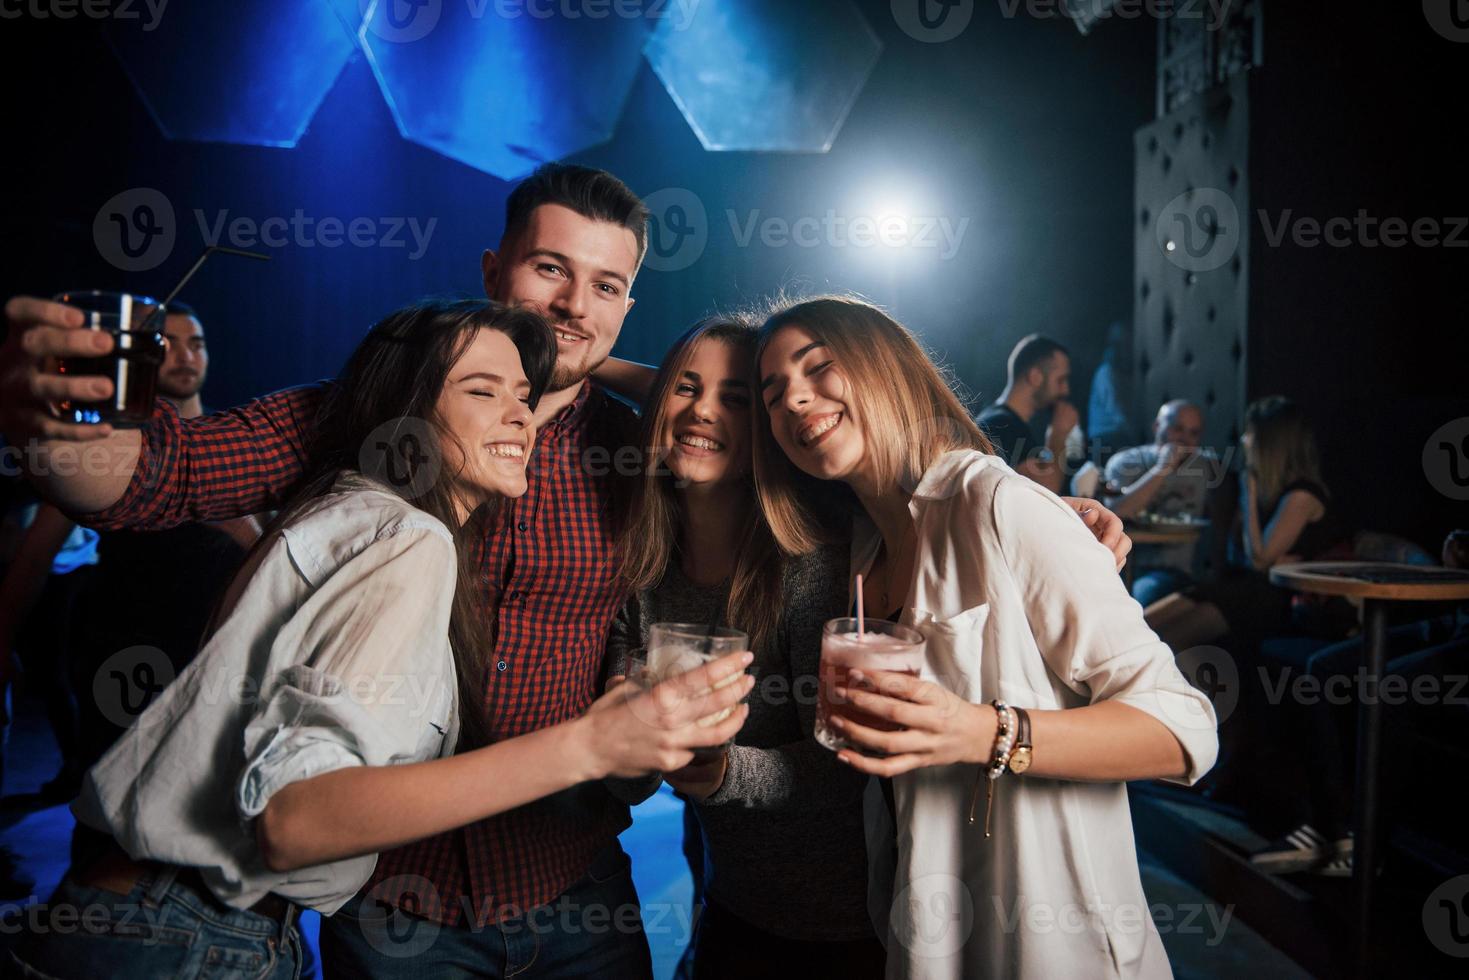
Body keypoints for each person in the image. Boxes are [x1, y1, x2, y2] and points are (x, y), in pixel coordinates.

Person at [0, 163, 681, 975]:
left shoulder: (644, 455)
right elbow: (157, 474)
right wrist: (46, 423)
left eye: (606, 287)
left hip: (571, 886)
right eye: (549, 270)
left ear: (628, 308)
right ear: (492, 270)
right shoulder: (364, 416)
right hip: (392, 907)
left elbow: (750, 406)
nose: (575, 304)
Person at [752, 296, 1217, 979]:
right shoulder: (861, 544)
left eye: (818, 367)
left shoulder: (993, 502)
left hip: (1055, 946)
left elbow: (1185, 727)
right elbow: (695, 403)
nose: (793, 400)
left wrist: (981, 732)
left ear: (887, 367)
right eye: (771, 393)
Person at [605, 315, 884, 978]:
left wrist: (726, 776)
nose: (702, 411)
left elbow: (853, 759)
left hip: (849, 926)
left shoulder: (810, 564)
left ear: (765, 426)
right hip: (730, 901)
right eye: (684, 388)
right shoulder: (640, 564)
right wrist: (628, 737)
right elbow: (631, 772)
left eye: (733, 398)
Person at [1144, 396, 1343, 653]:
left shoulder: (1302, 494)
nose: (1244, 441)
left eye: (1250, 434)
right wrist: (1263, 559)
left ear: (1271, 443)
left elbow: (1259, 558)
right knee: (1140, 627)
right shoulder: (1267, 489)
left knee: (1161, 644)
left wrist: (1248, 494)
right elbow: (1238, 556)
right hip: (1241, 586)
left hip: (1271, 599)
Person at [1105, 400, 1221, 606]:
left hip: (1176, 571)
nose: (1185, 439)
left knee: (1145, 593)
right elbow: (1116, 513)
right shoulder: (1125, 462)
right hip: (1122, 565)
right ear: (1157, 426)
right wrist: (1162, 468)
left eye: (1193, 433)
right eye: (1177, 429)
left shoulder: (1208, 467)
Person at [976, 334, 1078, 494]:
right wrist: (1058, 434)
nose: (1066, 390)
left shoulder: (998, 420)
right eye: (1060, 380)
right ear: (1035, 377)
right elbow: (1045, 492)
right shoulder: (1003, 425)